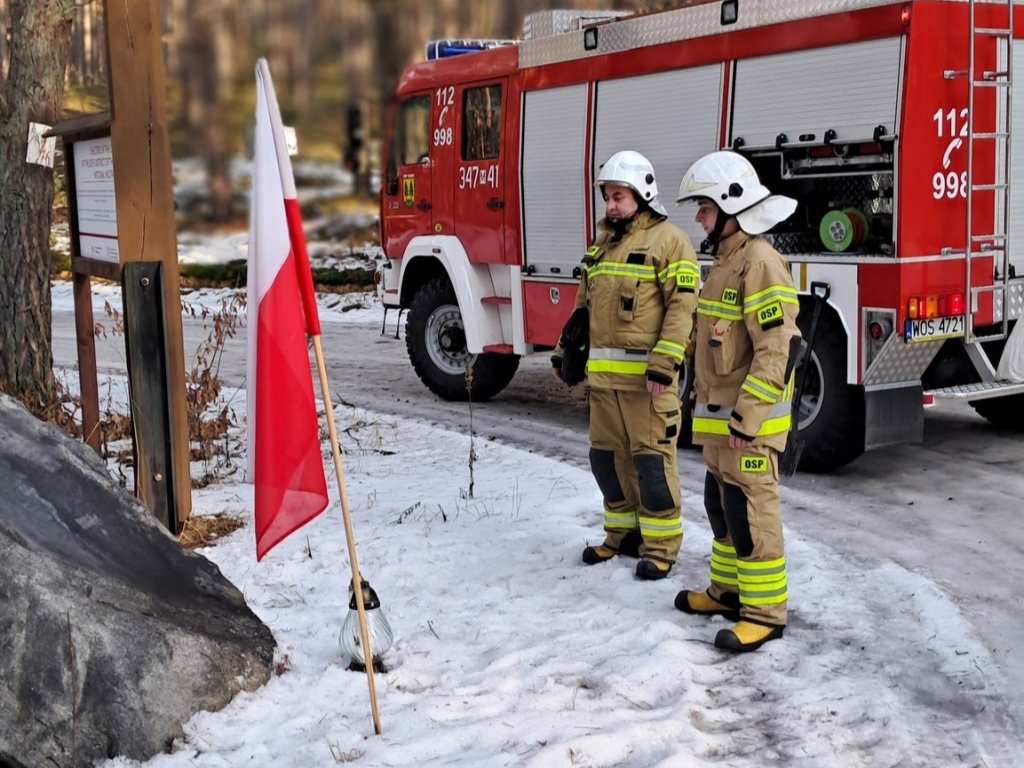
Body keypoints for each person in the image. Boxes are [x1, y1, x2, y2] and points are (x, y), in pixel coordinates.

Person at [673, 150, 801, 651]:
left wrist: (748, 418)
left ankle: (765, 614)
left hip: (749, 426)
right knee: (722, 507)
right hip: (720, 425)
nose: (699, 217)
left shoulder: (760, 263)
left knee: (752, 516)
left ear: (731, 207)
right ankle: (727, 592)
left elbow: (776, 349)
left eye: (704, 208)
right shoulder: (728, 262)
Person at [552, 150, 699, 580]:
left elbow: (681, 308)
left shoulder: (671, 242)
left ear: (643, 195)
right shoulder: (600, 246)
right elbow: (583, 309)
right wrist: (565, 350)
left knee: (651, 465)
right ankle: (621, 536)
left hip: (648, 386)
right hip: (604, 383)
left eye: (620, 196)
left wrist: (665, 361)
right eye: (608, 196)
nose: (612, 205)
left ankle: (661, 547)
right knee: (606, 461)